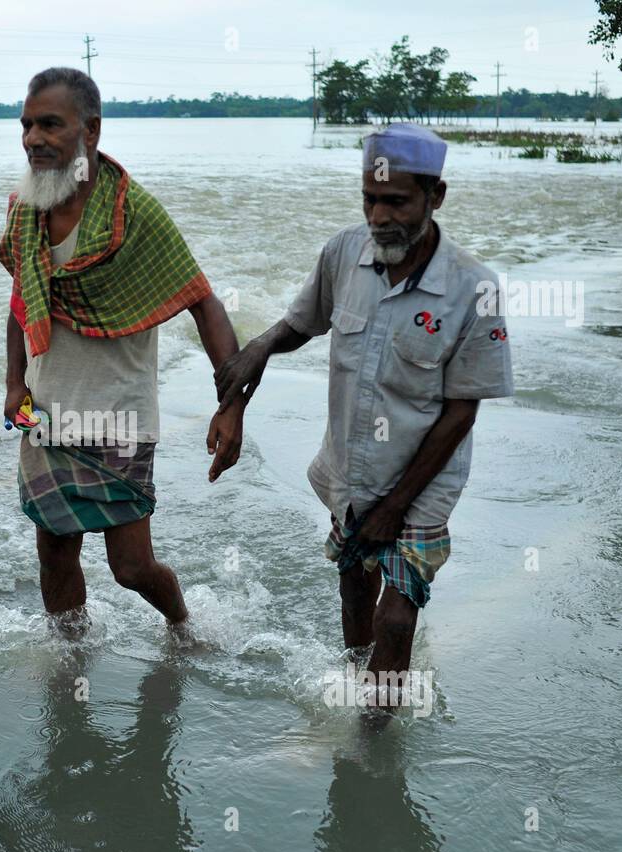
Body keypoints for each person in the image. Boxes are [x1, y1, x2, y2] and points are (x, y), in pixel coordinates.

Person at [213, 123, 514, 699]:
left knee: (395, 618)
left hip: (424, 478)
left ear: (436, 197)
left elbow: (460, 414)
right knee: (355, 583)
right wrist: (258, 349)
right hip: (351, 466)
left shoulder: (476, 289)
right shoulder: (344, 252)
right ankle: (359, 686)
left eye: (396, 201)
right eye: (370, 200)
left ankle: (376, 738)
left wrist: (395, 507)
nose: (379, 216)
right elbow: (303, 322)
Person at [0, 67, 242, 633]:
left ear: (91, 131)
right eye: (27, 124)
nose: (33, 137)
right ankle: (71, 664)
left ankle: (183, 628)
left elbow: (204, 303)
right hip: (46, 411)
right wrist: (14, 383)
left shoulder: (135, 216)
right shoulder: (25, 210)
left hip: (119, 416)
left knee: (130, 567)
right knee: (55, 554)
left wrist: (232, 404)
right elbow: (20, 304)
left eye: (50, 124)